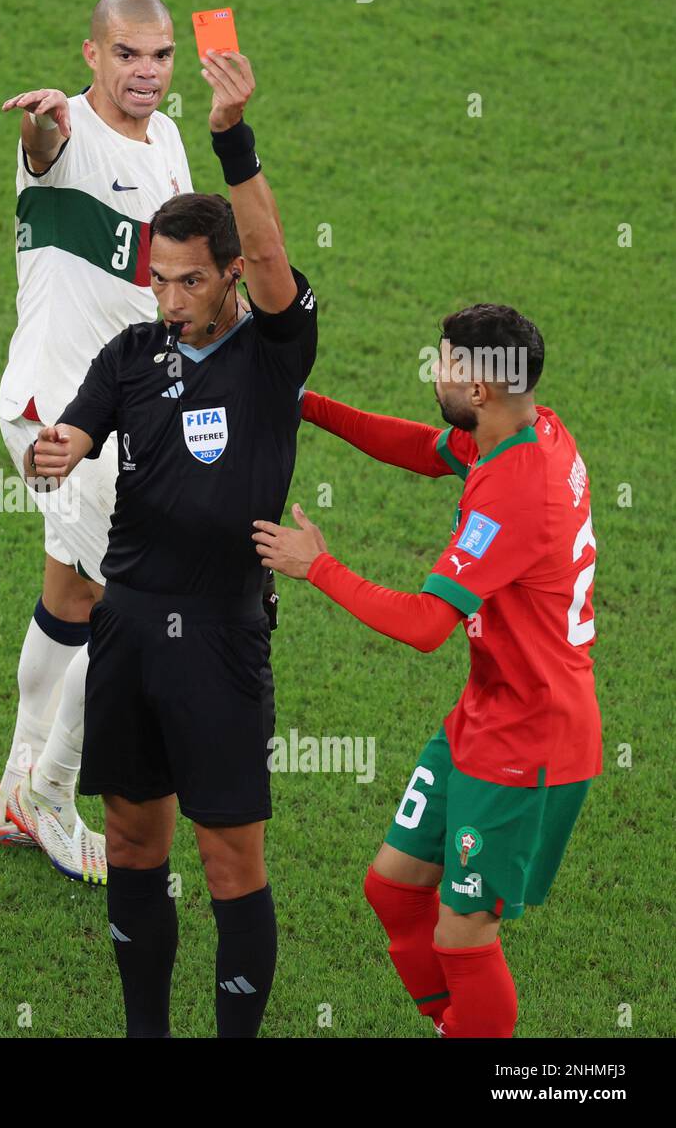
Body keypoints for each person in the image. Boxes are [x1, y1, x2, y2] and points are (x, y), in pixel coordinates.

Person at [28, 51, 317, 1037]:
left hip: (225, 639)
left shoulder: (273, 352)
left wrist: (233, 138)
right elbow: (74, 431)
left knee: (231, 855)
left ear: (231, 275)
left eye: (188, 280)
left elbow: (278, 263)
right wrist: (57, 447)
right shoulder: (131, 353)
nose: (168, 297)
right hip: (129, 628)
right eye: (158, 278)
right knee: (131, 839)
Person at [254, 306, 600, 1038]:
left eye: (443, 362)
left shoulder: (519, 491)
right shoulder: (524, 428)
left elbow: (422, 626)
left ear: (480, 388)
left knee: (463, 934)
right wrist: (306, 404)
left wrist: (317, 566)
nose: (433, 371)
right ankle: (459, 1026)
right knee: (393, 887)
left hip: (530, 742)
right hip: (487, 714)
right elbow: (421, 446)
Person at [0, 0, 194, 885]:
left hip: (121, 412)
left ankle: (12, 790)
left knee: (74, 593)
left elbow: (176, 274)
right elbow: (45, 146)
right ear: (91, 55)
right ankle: (52, 792)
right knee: (136, 604)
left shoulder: (170, 137)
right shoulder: (62, 133)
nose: (144, 73)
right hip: (59, 416)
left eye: (158, 56)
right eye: (126, 55)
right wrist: (40, 125)